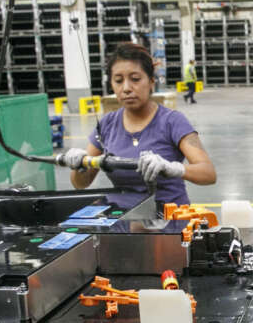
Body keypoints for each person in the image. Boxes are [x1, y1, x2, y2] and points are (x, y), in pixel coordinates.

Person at [63, 42, 216, 208]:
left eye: (135, 79)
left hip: (168, 217)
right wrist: (79, 166)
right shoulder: (107, 124)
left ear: (151, 82)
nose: (126, 88)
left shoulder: (172, 121)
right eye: (118, 81)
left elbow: (208, 173)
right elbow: (80, 184)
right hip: (123, 217)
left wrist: (173, 168)